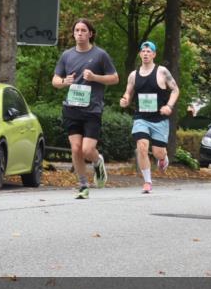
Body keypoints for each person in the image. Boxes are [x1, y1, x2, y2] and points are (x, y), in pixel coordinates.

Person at [51, 18, 119, 199]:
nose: (79, 33)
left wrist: (95, 77)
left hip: (92, 110)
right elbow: (55, 80)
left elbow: (115, 78)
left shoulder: (100, 55)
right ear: (73, 34)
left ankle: (98, 161)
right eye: (77, 30)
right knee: (75, 149)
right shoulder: (67, 55)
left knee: (87, 150)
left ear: (90, 34)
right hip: (71, 108)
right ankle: (83, 185)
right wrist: (65, 82)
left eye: (83, 30)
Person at [119, 41, 179, 193]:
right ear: (140, 54)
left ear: (154, 54)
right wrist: (125, 100)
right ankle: (147, 181)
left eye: (149, 51)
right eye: (143, 51)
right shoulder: (134, 75)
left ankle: (162, 158)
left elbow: (175, 90)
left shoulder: (162, 72)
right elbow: (128, 92)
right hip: (141, 118)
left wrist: (169, 106)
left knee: (158, 152)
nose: (145, 53)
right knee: (142, 147)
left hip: (159, 119)